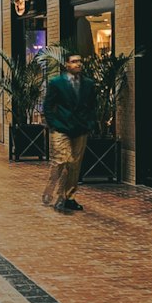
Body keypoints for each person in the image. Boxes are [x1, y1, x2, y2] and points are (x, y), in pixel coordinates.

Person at [42, 53, 97, 213]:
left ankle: (69, 197)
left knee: (74, 164)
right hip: (61, 128)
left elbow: (92, 106)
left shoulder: (88, 84)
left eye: (79, 61)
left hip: (80, 129)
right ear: (66, 64)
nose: (78, 64)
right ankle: (53, 190)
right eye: (74, 62)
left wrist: (90, 123)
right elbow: (48, 105)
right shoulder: (56, 83)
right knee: (61, 160)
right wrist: (53, 124)